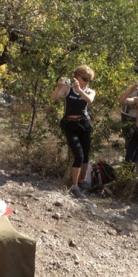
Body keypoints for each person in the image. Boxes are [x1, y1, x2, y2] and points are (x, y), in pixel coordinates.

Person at [50, 65, 96, 199]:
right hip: (69, 125)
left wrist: (80, 90)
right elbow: (53, 98)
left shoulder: (89, 91)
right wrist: (58, 87)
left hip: (84, 124)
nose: (87, 81)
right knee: (79, 155)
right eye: (85, 78)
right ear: (76, 77)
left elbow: (89, 100)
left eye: (89, 79)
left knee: (86, 154)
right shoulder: (67, 89)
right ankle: (74, 186)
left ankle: (82, 181)